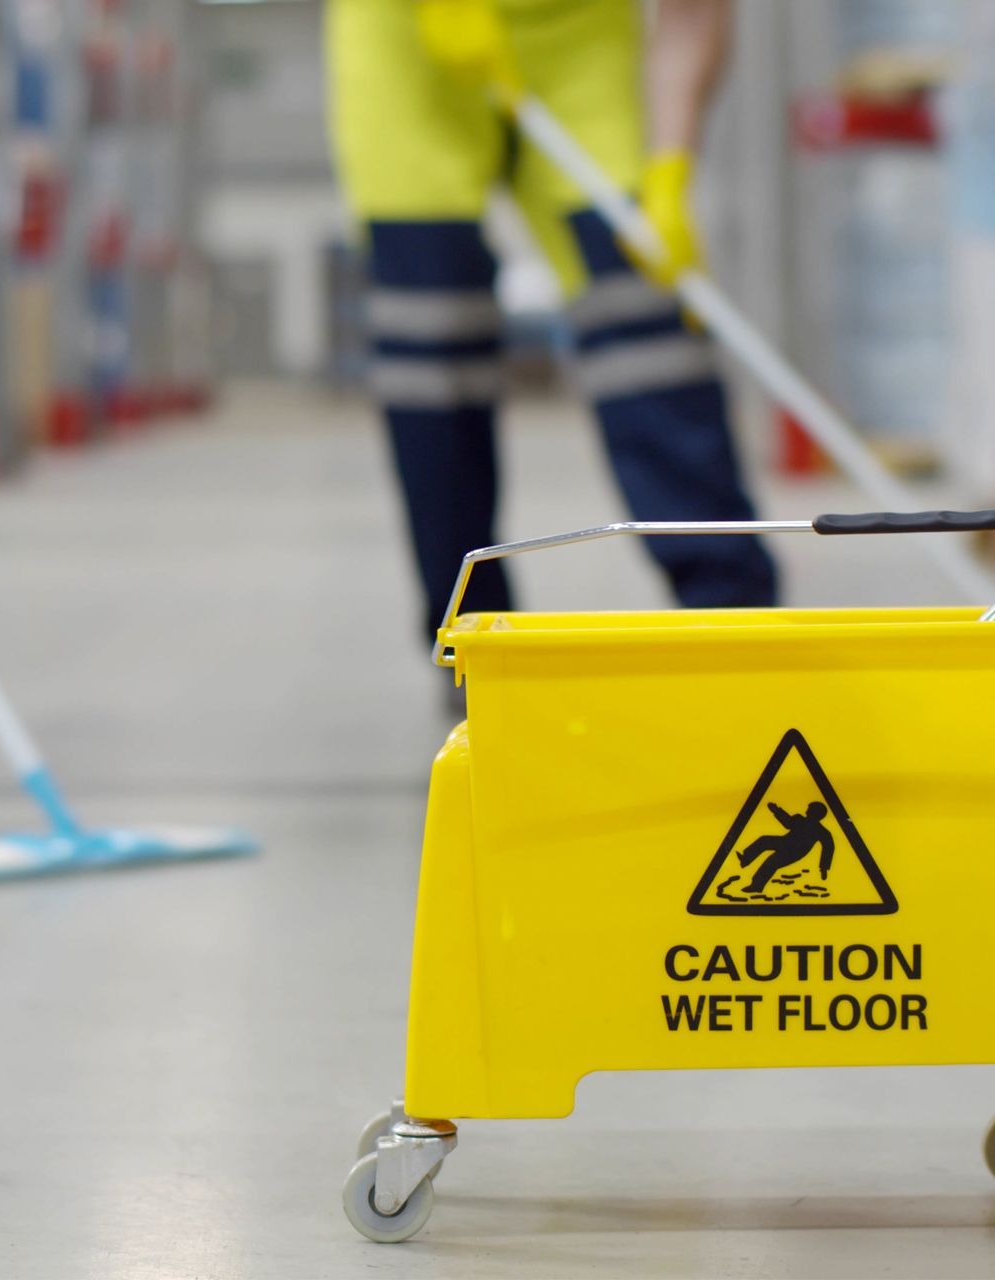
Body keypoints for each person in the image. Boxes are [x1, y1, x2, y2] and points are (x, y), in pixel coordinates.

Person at [326, 0, 778, 644]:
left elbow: (692, 15)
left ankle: (733, 615)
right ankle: (472, 634)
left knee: (641, 305)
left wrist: (670, 168)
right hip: (406, 41)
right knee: (431, 335)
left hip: (577, 38)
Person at [736, 800, 833, 893]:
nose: (806, 810)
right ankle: (745, 859)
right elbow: (787, 822)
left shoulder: (821, 831)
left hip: (795, 852)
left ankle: (756, 886)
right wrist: (776, 810)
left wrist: (823, 868)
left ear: (815, 813)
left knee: (771, 862)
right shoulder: (799, 819)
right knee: (764, 840)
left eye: (810, 809)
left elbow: (828, 847)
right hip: (785, 842)